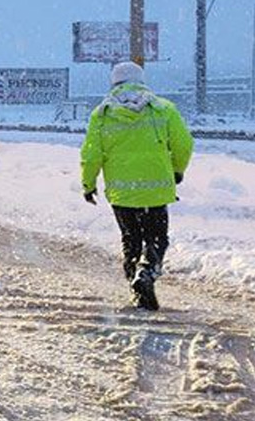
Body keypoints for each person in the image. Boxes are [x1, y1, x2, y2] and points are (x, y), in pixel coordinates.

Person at [80, 61, 193, 310]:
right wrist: (177, 170)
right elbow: (184, 144)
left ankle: (137, 287)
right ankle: (148, 270)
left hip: (122, 193)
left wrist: (88, 184)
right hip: (156, 190)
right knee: (157, 239)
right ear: (141, 81)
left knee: (131, 240)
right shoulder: (164, 109)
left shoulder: (102, 114)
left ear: (114, 83)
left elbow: (91, 154)